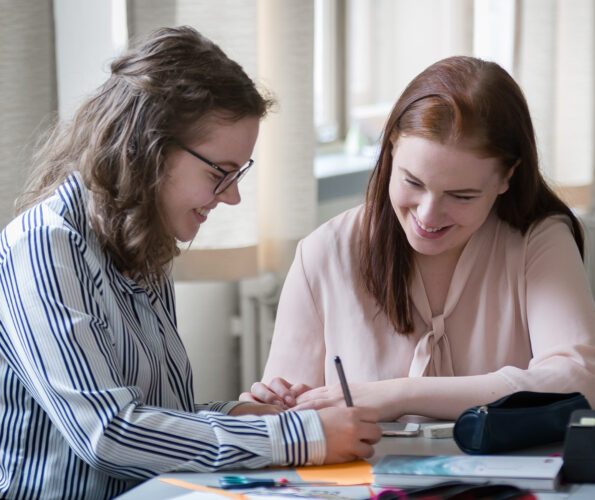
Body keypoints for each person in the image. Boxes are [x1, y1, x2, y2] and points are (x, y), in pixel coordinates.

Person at [0, 26, 380, 500]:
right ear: (148, 148)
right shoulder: (44, 246)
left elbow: (157, 420)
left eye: (238, 173)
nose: (234, 196)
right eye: (220, 173)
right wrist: (300, 437)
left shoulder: (145, 240)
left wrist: (239, 417)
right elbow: (109, 434)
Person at [246, 56, 595, 421]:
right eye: (413, 182)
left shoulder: (538, 240)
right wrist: (269, 406)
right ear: (390, 148)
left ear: (506, 178)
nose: (427, 215)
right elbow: (285, 422)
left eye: (461, 195)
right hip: (364, 478)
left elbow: (584, 386)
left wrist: (398, 395)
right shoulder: (324, 253)